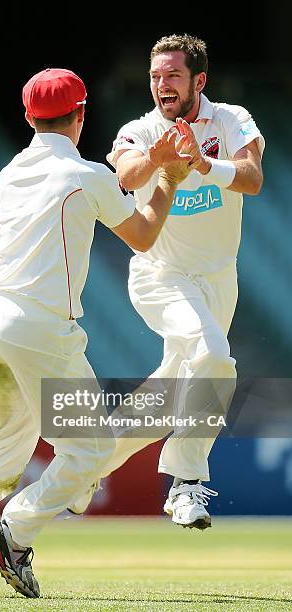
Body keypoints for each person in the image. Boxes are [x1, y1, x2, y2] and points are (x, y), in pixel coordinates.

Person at [0, 68, 192, 598]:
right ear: (80, 116)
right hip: (39, 326)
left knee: (9, 440)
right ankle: (13, 534)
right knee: (91, 449)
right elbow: (145, 236)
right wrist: (169, 180)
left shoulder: (12, 170)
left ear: (27, 117)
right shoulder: (86, 174)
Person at [69, 33, 265, 529]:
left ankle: (84, 467)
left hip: (220, 277)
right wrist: (161, 157)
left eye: (173, 75)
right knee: (216, 358)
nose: (162, 85)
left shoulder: (232, 119)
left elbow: (252, 178)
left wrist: (202, 163)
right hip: (161, 274)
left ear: (199, 79)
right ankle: (186, 483)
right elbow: (128, 175)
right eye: (156, 76)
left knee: (165, 399)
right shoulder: (140, 128)